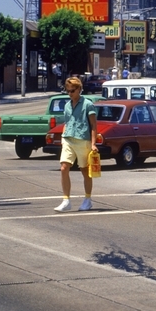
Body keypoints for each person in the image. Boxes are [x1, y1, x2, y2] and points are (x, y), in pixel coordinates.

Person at [54, 77, 98, 212]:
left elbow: (93, 125)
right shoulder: (67, 105)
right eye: (68, 91)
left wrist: (93, 144)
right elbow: (67, 122)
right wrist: (63, 136)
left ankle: (87, 199)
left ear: (79, 89)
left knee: (84, 171)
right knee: (64, 168)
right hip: (68, 139)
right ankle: (66, 200)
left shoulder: (87, 104)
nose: (70, 94)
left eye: (72, 91)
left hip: (83, 140)